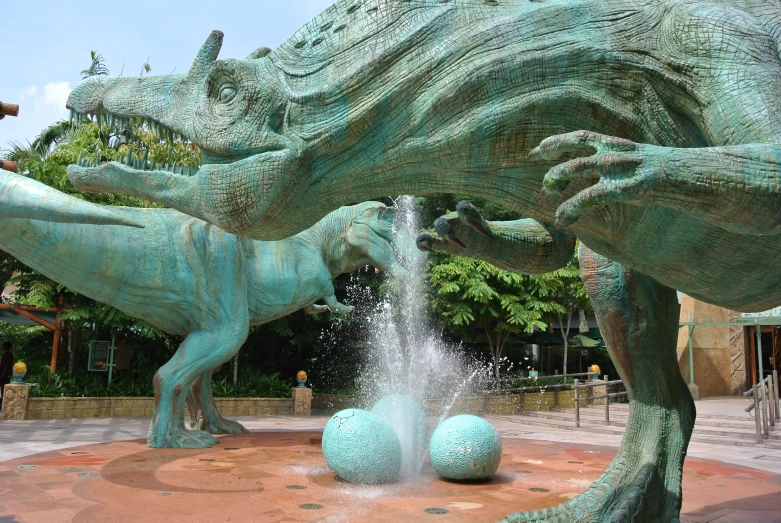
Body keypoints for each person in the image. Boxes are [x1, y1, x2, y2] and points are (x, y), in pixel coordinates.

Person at [0, 341, 13, 407]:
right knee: (2, 387)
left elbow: (7, 365)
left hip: (5, 374)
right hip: (2, 372)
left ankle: (4, 402)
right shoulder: (4, 354)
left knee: (4, 387)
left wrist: (3, 373)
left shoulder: (9, 355)